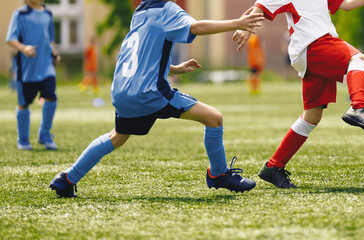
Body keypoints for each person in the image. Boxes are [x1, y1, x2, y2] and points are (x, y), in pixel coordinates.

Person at [49, 0, 264, 198]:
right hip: (150, 92)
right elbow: (196, 27)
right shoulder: (166, 9)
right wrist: (238, 22)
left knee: (117, 137)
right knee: (214, 119)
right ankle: (218, 175)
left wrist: (173, 68)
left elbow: (140, 55)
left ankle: (67, 178)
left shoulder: (140, 12)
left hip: (122, 91)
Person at [233, 0, 364, 188]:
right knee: (358, 59)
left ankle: (273, 167)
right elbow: (262, 5)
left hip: (311, 50)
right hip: (314, 45)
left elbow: (346, 4)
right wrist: (246, 28)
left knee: (311, 116)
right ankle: (359, 107)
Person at [6, 0, 61, 150]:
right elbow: (11, 38)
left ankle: (44, 134)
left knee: (51, 96)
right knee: (24, 103)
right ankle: (23, 140)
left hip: (46, 66)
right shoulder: (20, 14)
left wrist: (55, 54)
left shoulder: (48, 13)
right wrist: (24, 49)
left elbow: (50, 39)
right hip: (27, 70)